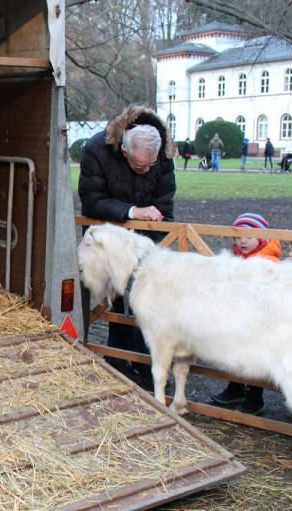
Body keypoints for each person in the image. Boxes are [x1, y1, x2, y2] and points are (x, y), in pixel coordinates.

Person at [79, 104, 176, 389]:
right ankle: (121, 358)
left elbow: (166, 204)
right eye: (140, 166)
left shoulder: (163, 155)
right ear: (124, 150)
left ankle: (141, 363)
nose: (147, 171)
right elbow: (92, 200)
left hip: (146, 241)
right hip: (107, 241)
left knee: (142, 298)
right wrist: (134, 211)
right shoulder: (97, 149)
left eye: (152, 165)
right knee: (115, 296)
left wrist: (157, 246)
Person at [211, 212, 281, 416]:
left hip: (258, 319)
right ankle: (235, 388)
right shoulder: (236, 258)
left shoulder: (267, 260)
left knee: (254, 357)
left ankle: (254, 397)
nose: (242, 241)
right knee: (234, 352)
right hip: (238, 316)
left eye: (248, 237)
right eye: (238, 236)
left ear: (260, 237)